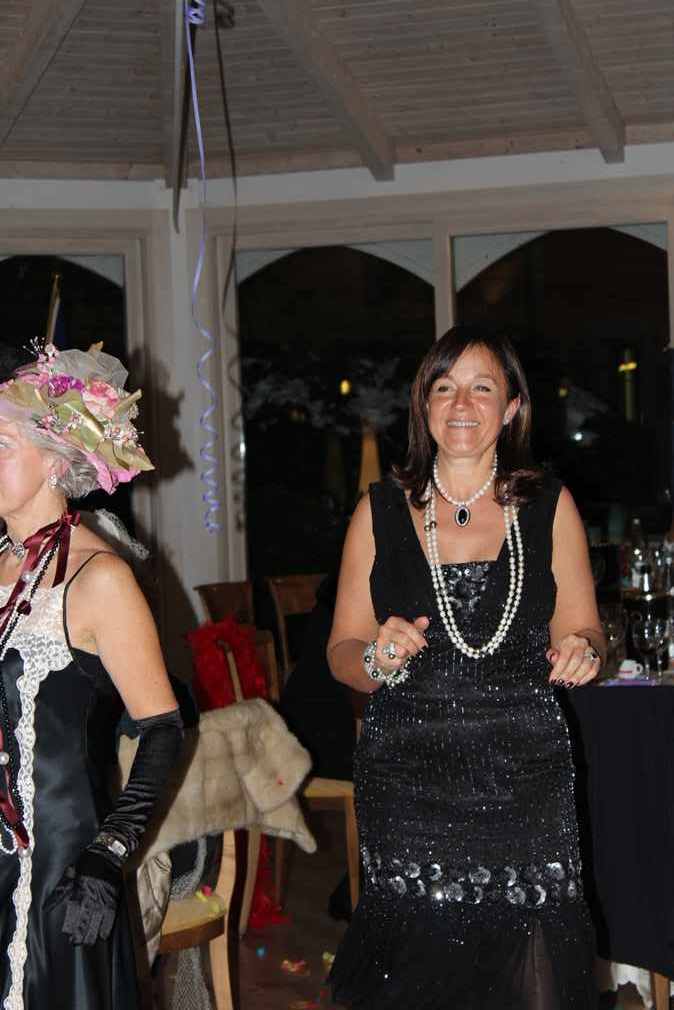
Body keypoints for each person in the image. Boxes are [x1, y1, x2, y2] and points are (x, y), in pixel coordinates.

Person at [327, 326, 606, 1010]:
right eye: (444, 387)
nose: (461, 404)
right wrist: (375, 657)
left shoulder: (549, 506)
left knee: (537, 974)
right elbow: (342, 653)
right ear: (423, 405)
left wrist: (584, 649)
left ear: (511, 407)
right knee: (417, 977)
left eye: (482, 387)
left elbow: (584, 627)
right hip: (408, 778)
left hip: (526, 775)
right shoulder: (378, 510)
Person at [0, 340, 183, 1009]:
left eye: (0, 445)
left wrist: (109, 854)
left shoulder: (99, 578)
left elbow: (163, 730)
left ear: (55, 460)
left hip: (59, 864)